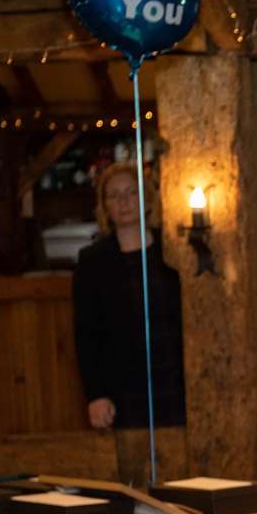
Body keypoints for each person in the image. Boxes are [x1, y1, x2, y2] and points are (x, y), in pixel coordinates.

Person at [71, 162, 186, 429]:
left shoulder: (173, 248)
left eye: (131, 192)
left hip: (176, 381)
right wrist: (96, 395)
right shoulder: (92, 261)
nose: (123, 201)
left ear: (146, 198)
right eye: (114, 195)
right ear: (105, 207)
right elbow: (86, 336)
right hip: (125, 388)